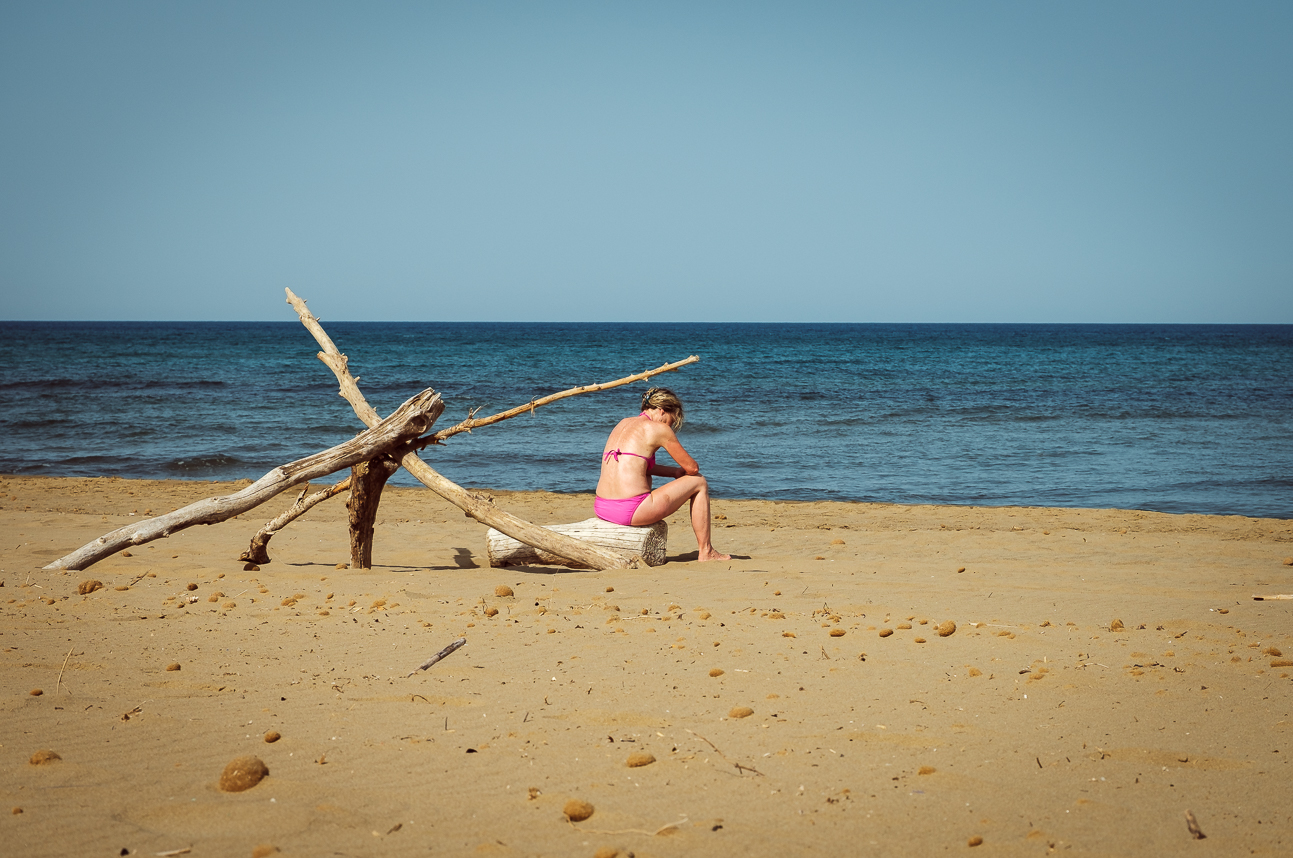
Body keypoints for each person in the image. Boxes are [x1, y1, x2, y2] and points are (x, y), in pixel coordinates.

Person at [595, 387, 731, 562]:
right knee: (699, 482)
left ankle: (706, 551)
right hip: (629, 510)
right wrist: (685, 471)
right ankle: (706, 551)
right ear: (661, 411)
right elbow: (692, 468)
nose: (669, 426)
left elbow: (638, 468)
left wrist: (674, 472)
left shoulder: (623, 423)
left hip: (602, 507)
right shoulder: (657, 428)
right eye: (670, 421)